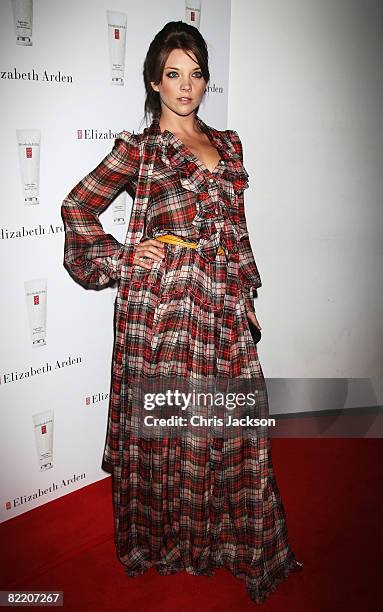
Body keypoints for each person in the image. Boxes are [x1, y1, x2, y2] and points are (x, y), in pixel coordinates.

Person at [61, 20, 302, 606]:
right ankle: (171, 540)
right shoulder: (139, 149)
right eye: (174, 74)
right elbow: (77, 207)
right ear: (153, 81)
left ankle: (232, 539)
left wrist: (246, 291)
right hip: (164, 307)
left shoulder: (229, 144)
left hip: (220, 302)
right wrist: (121, 257)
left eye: (196, 74)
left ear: (205, 81)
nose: (186, 86)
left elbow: (236, 231)